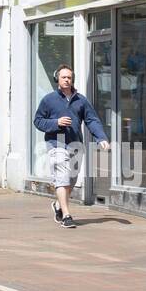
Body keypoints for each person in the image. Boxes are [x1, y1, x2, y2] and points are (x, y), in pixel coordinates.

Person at [33, 65, 109, 229]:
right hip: (56, 143)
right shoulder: (49, 100)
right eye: (63, 77)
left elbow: (91, 120)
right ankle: (67, 215)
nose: (67, 80)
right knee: (62, 178)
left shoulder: (81, 100)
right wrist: (56, 123)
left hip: (75, 144)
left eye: (69, 77)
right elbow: (38, 121)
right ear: (57, 79)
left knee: (71, 180)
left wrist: (101, 137)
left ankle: (58, 205)